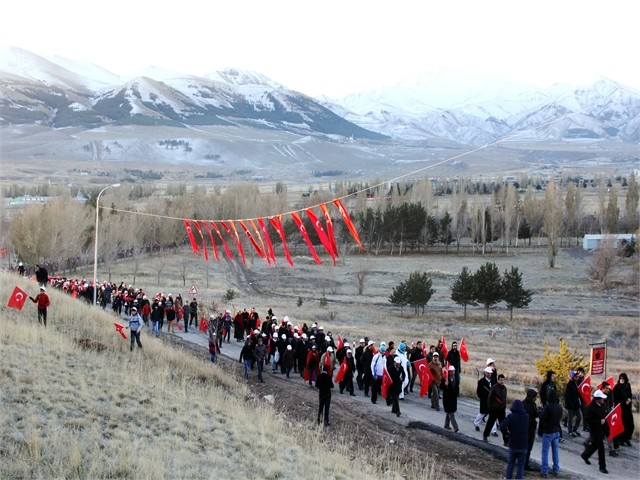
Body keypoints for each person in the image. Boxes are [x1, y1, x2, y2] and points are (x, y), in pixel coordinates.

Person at [581, 389, 609, 474]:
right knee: (601, 447)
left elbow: (605, 416)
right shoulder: (590, 408)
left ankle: (585, 455)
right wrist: (598, 421)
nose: (603, 400)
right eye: (602, 398)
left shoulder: (603, 405)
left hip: (601, 429)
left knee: (595, 445)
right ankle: (602, 466)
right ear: (598, 399)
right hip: (594, 429)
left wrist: (606, 430)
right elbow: (587, 420)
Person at [500, 399, 529, 479]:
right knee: (521, 465)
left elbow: (502, 426)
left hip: (513, 443)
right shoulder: (526, 417)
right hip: (523, 444)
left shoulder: (511, 417)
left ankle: (508, 478)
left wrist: (506, 434)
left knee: (511, 463)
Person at [538, 389, 562, 477]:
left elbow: (543, 419)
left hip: (548, 431)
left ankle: (544, 471)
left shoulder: (548, 407)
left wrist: (540, 413)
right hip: (556, 431)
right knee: (555, 451)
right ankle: (556, 469)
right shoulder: (560, 407)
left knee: (545, 452)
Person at [484, 374, 508, 443]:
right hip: (494, 409)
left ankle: (506, 441)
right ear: (498, 380)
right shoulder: (494, 388)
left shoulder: (505, 388)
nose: (502, 381)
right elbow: (489, 398)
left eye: (503, 380)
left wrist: (504, 407)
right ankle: (485, 436)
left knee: (503, 425)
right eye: (501, 380)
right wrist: (490, 408)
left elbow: (504, 399)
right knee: (490, 423)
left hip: (501, 410)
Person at [612, 373, 634, 447]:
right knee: (622, 424)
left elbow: (630, 394)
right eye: (620, 378)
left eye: (623, 379)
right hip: (620, 408)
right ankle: (620, 439)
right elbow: (613, 397)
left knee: (630, 424)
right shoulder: (617, 387)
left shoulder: (628, 385)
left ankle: (626, 438)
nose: (622, 380)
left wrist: (629, 399)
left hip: (627, 408)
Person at [475, 366, 496, 434]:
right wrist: (483, 398)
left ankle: (493, 431)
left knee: (492, 415)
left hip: (491, 402)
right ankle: (476, 423)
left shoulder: (493, 382)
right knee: (482, 413)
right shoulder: (481, 382)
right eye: (488, 373)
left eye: (490, 373)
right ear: (485, 373)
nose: (489, 374)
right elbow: (479, 392)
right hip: (484, 401)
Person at [522, 389, 539, 471]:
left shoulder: (524, 403)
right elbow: (535, 414)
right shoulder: (530, 405)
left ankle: (523, 463)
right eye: (535, 397)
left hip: (528, 428)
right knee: (527, 448)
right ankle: (524, 464)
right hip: (528, 428)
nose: (536, 399)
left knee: (526, 448)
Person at [565, 371, 583, 437]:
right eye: (576, 377)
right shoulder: (569, 385)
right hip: (571, 404)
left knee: (579, 416)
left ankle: (575, 429)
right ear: (572, 377)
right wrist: (569, 404)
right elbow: (567, 396)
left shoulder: (578, 383)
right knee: (570, 418)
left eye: (578, 377)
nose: (577, 378)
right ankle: (570, 431)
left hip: (576, 403)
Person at [442, 365, 459, 432]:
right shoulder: (445, 379)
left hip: (453, 399)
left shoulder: (455, 378)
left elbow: (456, 387)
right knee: (451, 413)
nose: (452, 373)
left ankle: (446, 425)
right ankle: (455, 427)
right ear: (448, 372)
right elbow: (441, 387)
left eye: (453, 371)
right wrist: (445, 385)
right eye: (451, 371)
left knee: (449, 412)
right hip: (447, 399)